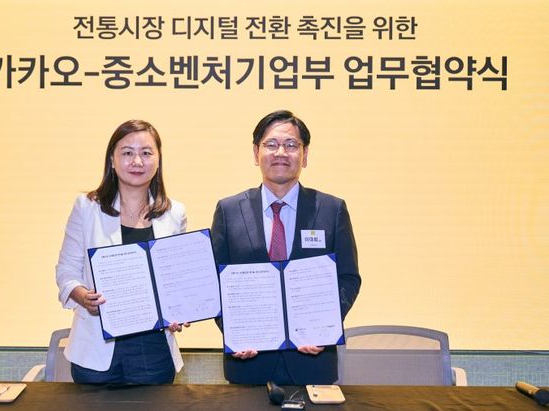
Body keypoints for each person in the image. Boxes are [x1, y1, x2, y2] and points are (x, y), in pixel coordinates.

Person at [211, 110, 361, 385]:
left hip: (312, 363)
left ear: (305, 155)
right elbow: (215, 283)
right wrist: (234, 331)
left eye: (291, 145)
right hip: (249, 364)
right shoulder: (229, 210)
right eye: (271, 144)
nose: (281, 152)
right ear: (256, 153)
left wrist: (323, 326)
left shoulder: (331, 209)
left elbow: (348, 278)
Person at [55, 119, 189, 385]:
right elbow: (66, 272)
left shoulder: (175, 213)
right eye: (127, 152)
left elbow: (177, 280)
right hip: (96, 348)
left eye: (146, 153)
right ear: (112, 160)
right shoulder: (87, 208)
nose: (137, 161)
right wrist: (83, 297)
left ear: (158, 160)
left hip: (154, 350)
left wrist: (179, 309)